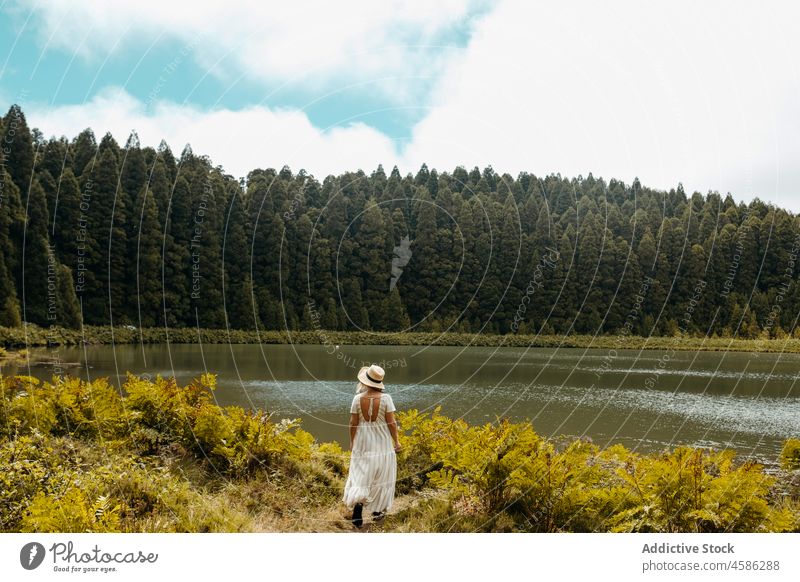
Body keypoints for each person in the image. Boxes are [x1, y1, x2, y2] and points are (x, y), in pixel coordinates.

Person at [342, 364, 401, 528]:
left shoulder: (357, 399)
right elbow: (392, 423)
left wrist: (352, 441)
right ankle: (377, 511)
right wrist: (396, 441)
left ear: (366, 381)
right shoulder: (386, 399)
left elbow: (353, 423)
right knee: (382, 475)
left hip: (363, 441)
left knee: (361, 474)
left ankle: (358, 508)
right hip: (382, 443)